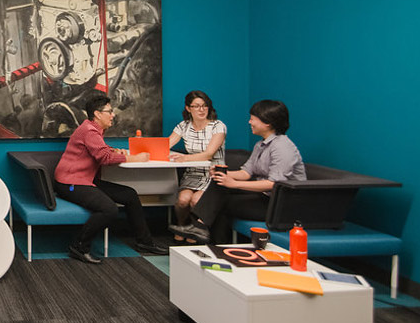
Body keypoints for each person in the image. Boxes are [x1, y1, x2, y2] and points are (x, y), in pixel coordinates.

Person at [170, 99, 306, 244]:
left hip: (280, 206)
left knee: (221, 203)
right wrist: (222, 174)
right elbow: (246, 173)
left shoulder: (282, 147)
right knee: (220, 184)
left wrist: (234, 184)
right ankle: (202, 230)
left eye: (253, 119)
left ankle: (202, 229)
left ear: (267, 122)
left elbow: (274, 184)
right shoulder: (261, 145)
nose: (249, 122)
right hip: (264, 198)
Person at [54, 95, 169, 264]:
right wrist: (135, 159)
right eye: (109, 111)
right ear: (97, 114)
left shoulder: (92, 130)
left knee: (129, 195)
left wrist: (115, 150)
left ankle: (144, 242)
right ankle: (79, 246)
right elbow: (104, 158)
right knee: (109, 209)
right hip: (70, 184)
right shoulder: (89, 131)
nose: (113, 114)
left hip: (84, 180)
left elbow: (101, 150)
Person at [167, 91, 226, 245]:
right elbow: (165, 145)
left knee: (196, 200)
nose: (201, 110)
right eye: (197, 106)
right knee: (183, 200)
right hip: (193, 173)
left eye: (205, 106)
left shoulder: (218, 126)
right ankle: (182, 226)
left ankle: (196, 231)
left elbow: (209, 154)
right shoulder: (184, 126)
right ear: (188, 108)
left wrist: (184, 158)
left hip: (212, 174)